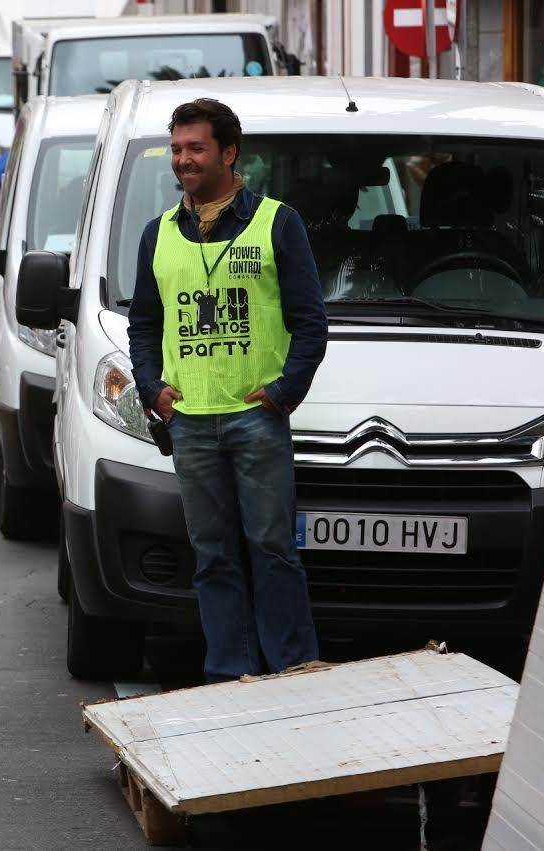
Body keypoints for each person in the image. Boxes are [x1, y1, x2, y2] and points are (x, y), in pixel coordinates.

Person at [126, 98, 327, 684]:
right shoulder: (157, 234)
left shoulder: (276, 222)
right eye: (178, 149)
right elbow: (144, 323)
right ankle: (228, 676)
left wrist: (283, 392)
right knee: (212, 557)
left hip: (255, 419)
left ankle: (293, 669)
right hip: (188, 421)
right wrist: (151, 388)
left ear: (229, 152)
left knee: (272, 551)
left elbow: (310, 322)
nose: (184, 160)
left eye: (196, 148)